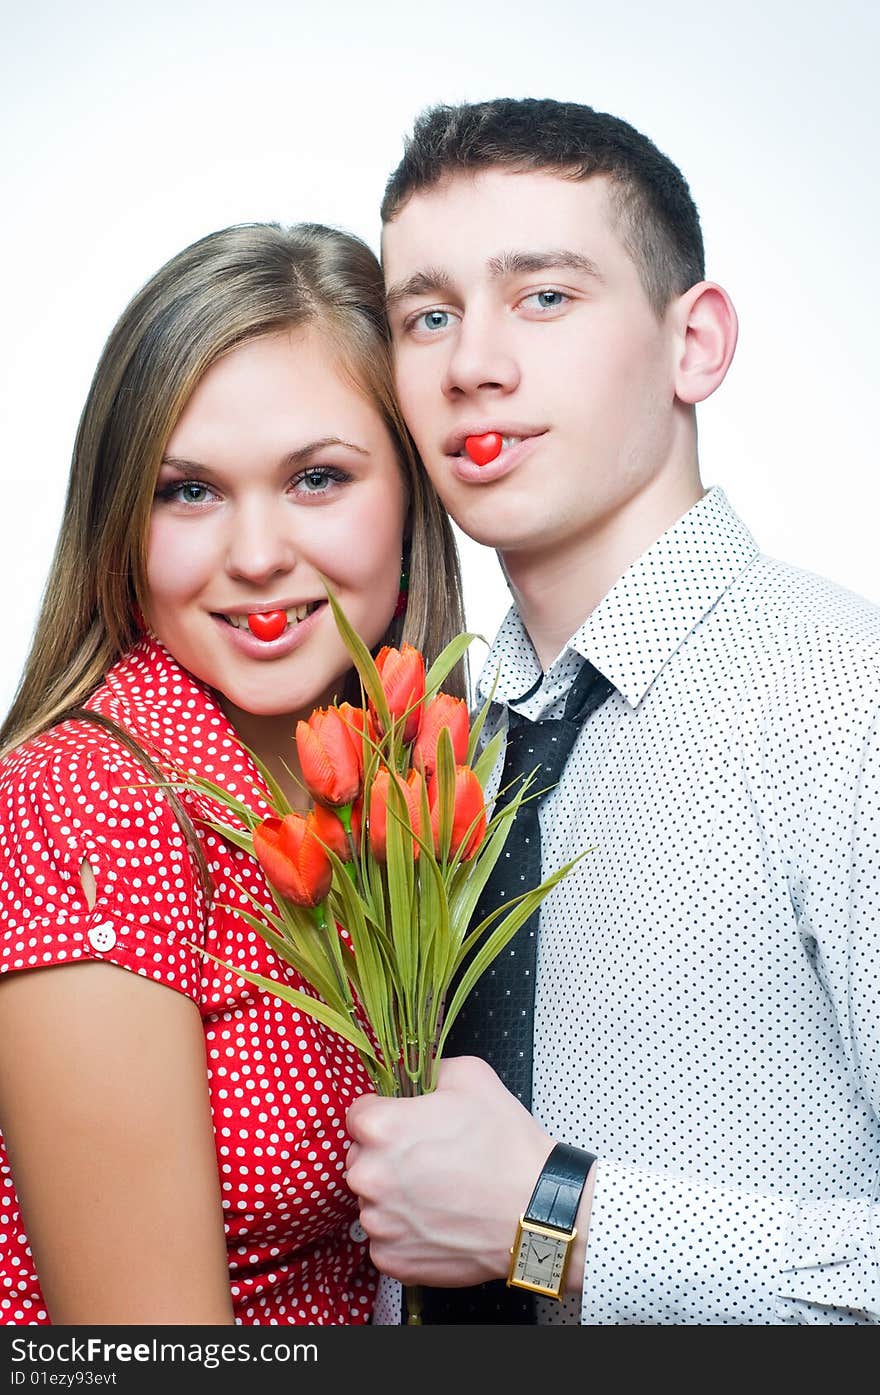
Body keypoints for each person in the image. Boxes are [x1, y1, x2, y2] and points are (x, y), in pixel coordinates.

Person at [344, 97, 880, 1324]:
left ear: (694, 344)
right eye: (427, 314)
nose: (471, 361)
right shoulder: (436, 751)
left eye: (543, 296)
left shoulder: (843, 704)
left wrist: (558, 1220)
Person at [0, 221, 466, 1325]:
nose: (255, 555)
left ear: (411, 494)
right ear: (121, 522)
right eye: (189, 492)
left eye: (316, 478)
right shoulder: (88, 803)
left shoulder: (408, 781)